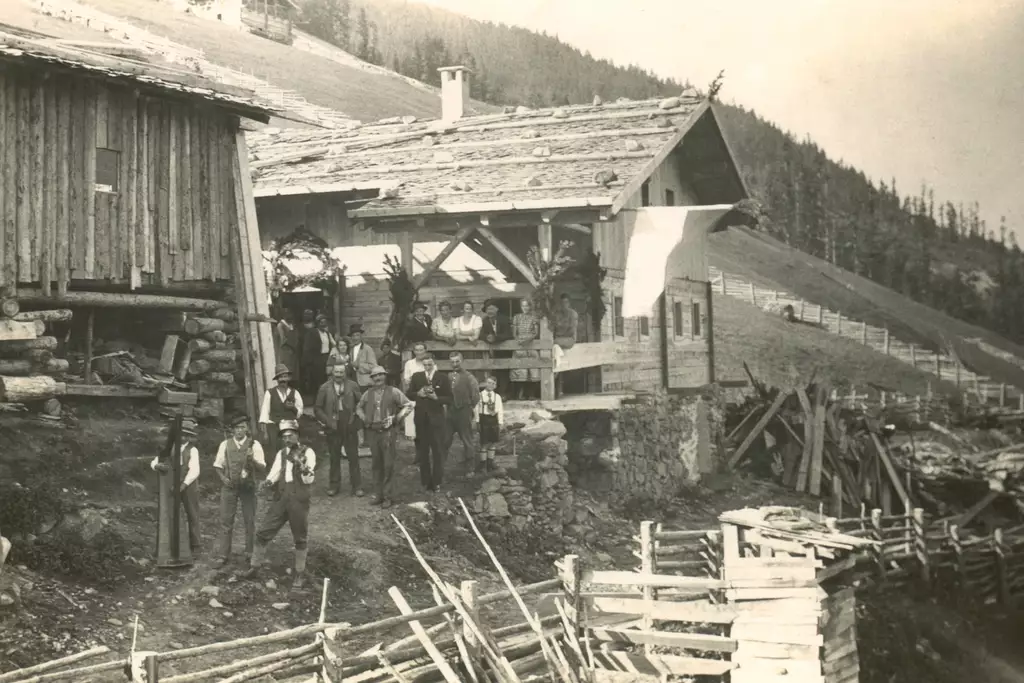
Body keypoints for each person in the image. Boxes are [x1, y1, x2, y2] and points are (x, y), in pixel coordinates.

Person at [244, 420, 316, 589]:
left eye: (290, 435)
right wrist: (267, 482)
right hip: (282, 497)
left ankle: (300, 573)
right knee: (263, 531)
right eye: (284, 437)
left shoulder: (308, 452)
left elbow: (309, 478)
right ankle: (254, 567)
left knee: (300, 537)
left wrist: (303, 466)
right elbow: (275, 472)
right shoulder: (282, 453)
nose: (287, 439)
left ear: (297, 435)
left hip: (298, 498)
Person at [356, 366, 413, 508]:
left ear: (385, 376)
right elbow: (358, 408)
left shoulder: (393, 391)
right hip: (373, 432)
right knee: (376, 464)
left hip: (388, 432)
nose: (377, 378)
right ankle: (378, 495)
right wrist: (365, 419)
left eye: (380, 375)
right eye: (375, 376)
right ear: (372, 379)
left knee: (388, 465)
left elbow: (408, 405)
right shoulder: (367, 394)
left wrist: (397, 418)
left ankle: (388, 496)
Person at [213, 415, 266, 567]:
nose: (239, 431)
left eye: (242, 427)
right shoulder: (225, 444)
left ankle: (249, 553)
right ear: (232, 430)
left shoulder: (254, 445)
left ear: (247, 429)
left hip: (248, 488)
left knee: (249, 520)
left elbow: (262, 467)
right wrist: (223, 478)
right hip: (229, 487)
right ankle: (223, 555)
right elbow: (217, 465)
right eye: (236, 428)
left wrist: (252, 459)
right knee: (225, 521)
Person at [152, 422, 202, 560]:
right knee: (171, 514)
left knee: (192, 514)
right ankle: (172, 545)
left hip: (189, 486)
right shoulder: (170, 449)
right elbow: (155, 460)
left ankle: (196, 545)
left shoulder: (192, 450)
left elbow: (194, 470)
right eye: (182, 434)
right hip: (173, 485)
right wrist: (157, 465)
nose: (184, 437)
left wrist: (183, 485)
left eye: (187, 435)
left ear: (189, 437)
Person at [314, 364, 363, 498]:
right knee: (334, 457)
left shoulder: (353, 385)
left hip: (349, 423)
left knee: (353, 456)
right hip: (333, 425)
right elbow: (317, 408)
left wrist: (357, 420)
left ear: (345, 373)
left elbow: (361, 403)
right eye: (336, 372)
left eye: (341, 372)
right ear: (332, 372)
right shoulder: (324, 388)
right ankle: (334, 485)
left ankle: (357, 486)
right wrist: (328, 421)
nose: (339, 375)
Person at [407, 354, 451, 494]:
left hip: (436, 420)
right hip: (421, 419)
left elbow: (450, 398)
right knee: (423, 452)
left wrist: (436, 398)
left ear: (434, 364)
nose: (427, 367)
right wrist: (418, 394)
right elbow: (409, 394)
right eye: (425, 365)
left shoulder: (442, 378)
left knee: (438, 451)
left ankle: (437, 481)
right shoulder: (417, 377)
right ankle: (426, 481)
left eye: (429, 364)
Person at [258, 364, 303, 468]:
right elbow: (265, 412)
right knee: (275, 452)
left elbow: (300, 412)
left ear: (289, 378)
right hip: (274, 427)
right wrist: (265, 433)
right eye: (281, 377)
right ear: (277, 379)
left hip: (290, 427)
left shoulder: (294, 393)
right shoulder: (270, 393)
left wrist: (292, 408)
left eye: (285, 376)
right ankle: (276, 477)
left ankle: (292, 474)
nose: (283, 379)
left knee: (291, 451)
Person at [444, 351, 480, 473]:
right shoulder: (448, 377)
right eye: (452, 362)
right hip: (450, 412)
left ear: (462, 361)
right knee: (445, 439)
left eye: (457, 361)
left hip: (463, 412)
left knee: (467, 440)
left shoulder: (469, 377)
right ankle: (441, 467)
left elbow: (476, 396)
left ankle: (470, 468)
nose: (455, 364)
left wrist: (468, 408)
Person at [510, 297, 541, 399]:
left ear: (530, 306)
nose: (525, 308)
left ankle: (531, 394)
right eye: (523, 306)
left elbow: (536, 333)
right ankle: (521, 394)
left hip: (531, 344)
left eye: (527, 305)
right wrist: (518, 340)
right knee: (520, 370)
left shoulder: (534, 317)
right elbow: (514, 333)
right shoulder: (517, 317)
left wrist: (527, 340)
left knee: (533, 369)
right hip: (520, 346)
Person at [551, 293, 579, 397]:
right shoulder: (557, 314)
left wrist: (558, 335)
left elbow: (571, 330)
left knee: (552, 344)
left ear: (569, 303)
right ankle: (557, 389)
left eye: (566, 302)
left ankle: (557, 386)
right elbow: (553, 328)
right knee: (555, 351)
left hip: (569, 340)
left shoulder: (573, 314)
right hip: (558, 340)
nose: (564, 305)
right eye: (562, 302)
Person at [302, 314, 335, 396]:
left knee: (326, 378)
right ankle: (318, 399)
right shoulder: (312, 333)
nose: (324, 324)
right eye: (321, 322)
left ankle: (327, 398)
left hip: (326, 358)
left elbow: (333, 344)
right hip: (317, 359)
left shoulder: (327, 333)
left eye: (325, 322)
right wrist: (310, 361)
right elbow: (307, 347)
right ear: (317, 323)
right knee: (318, 380)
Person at [477, 375, 505, 472]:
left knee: (493, 442)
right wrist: (477, 421)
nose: (490, 385)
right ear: (485, 383)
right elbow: (476, 409)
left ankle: (490, 463)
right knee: (484, 443)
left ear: (495, 386)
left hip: (493, 421)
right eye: (488, 383)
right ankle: (483, 465)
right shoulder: (480, 395)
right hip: (484, 420)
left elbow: (500, 410)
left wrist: (500, 422)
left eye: (493, 383)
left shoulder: (497, 397)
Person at [402, 341, 428, 441]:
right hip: (413, 390)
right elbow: (407, 380)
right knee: (410, 406)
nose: (419, 352)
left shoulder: (429, 363)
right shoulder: (409, 363)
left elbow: (432, 378)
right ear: (414, 351)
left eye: (421, 350)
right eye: (417, 350)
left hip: (425, 391)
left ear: (425, 351)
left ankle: (424, 433)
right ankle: (411, 434)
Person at [348, 324, 377, 391]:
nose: (355, 338)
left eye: (357, 335)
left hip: (365, 383)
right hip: (353, 381)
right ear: (351, 337)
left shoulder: (367, 349)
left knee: (368, 401)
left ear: (361, 336)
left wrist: (359, 366)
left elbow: (374, 367)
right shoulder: (351, 349)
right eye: (353, 336)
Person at [273, 307, 298, 378]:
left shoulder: (292, 325)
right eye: (287, 314)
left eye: (290, 314)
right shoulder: (280, 326)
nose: (290, 316)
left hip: (293, 353)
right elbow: (283, 339)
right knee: (286, 370)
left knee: (293, 371)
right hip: (285, 351)